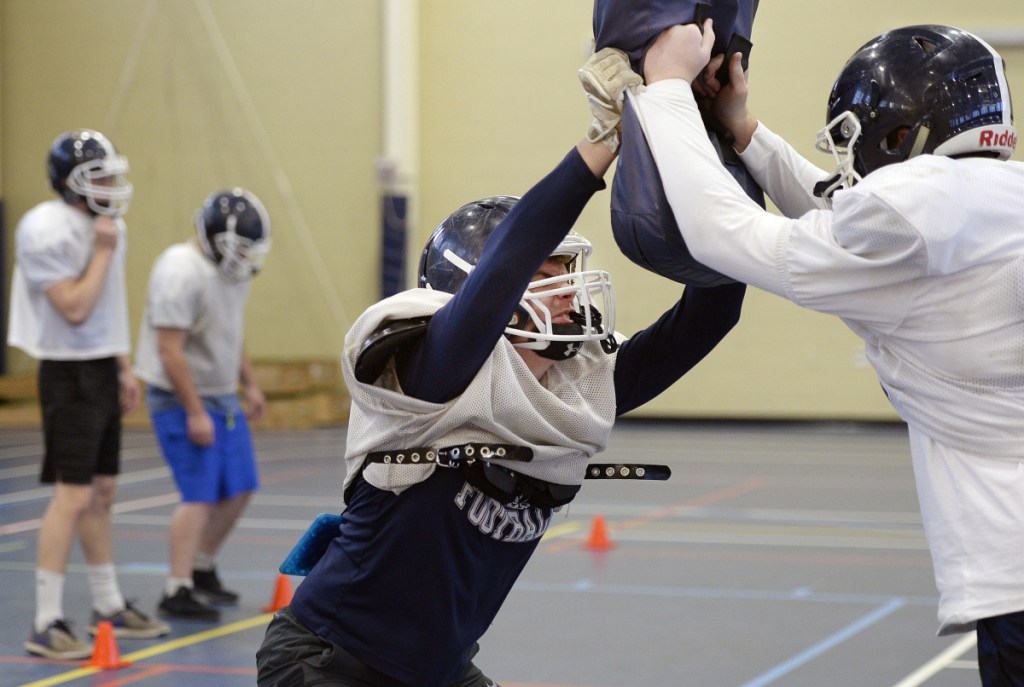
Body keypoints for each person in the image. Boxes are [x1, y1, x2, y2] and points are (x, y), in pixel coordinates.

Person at [255, 49, 746, 687]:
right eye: (547, 277)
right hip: (333, 661)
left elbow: (714, 312)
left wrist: (709, 137)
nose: (569, 294)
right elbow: (508, 261)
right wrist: (601, 144)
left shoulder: (575, 392)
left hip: (439, 670)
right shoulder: (437, 369)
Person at [632, 20, 1024, 685]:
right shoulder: (993, 197)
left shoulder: (919, 214)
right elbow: (837, 209)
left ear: (900, 133)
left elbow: (721, 232)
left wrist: (665, 88)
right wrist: (746, 133)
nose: (853, 157)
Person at [8, 129, 170, 659]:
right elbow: (75, 307)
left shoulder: (105, 225)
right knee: (72, 495)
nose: (108, 184)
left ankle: (108, 603)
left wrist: (122, 365)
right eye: (96, 176)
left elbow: (107, 309)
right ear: (69, 184)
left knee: (101, 493)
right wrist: (103, 251)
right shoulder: (45, 227)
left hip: (99, 367)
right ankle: (46, 619)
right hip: (67, 372)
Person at [133, 188, 271, 621]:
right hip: (181, 396)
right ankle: (177, 587)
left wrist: (249, 383)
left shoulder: (231, 273)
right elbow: (170, 350)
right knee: (200, 493)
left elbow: (231, 329)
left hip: (222, 394)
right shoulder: (179, 270)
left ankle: (201, 566)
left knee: (241, 485)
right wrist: (194, 411)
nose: (245, 259)